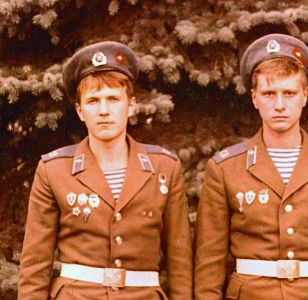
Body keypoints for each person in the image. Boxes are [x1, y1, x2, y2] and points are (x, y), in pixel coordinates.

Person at [194, 34, 308, 299]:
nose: (279, 105)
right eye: (268, 93)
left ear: (305, 96)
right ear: (254, 98)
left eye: (289, 93)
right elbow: (209, 264)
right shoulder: (225, 169)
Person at [19, 41, 192, 300]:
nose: (103, 111)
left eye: (113, 99)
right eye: (93, 101)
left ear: (131, 105)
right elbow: (35, 265)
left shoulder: (164, 167)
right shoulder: (54, 170)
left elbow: (179, 262)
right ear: (80, 110)